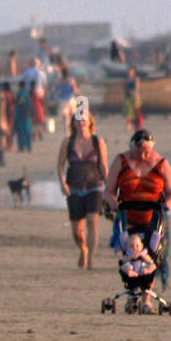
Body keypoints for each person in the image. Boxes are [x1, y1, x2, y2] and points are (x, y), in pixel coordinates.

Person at [106, 129, 171, 311]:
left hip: (153, 218)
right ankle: (131, 296)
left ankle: (146, 300)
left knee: (151, 256)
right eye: (140, 151)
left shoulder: (161, 163)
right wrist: (112, 203)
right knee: (130, 255)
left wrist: (167, 205)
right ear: (132, 147)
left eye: (147, 151)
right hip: (127, 217)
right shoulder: (121, 161)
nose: (144, 155)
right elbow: (108, 191)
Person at [56, 110, 108, 269]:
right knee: (77, 231)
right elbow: (60, 166)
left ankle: (91, 260)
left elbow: (103, 167)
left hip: (95, 187)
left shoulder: (98, 141)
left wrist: (109, 189)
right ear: (73, 123)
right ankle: (83, 249)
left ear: (90, 122)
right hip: (74, 189)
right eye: (78, 120)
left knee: (92, 221)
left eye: (84, 120)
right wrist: (62, 183)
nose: (81, 123)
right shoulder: (68, 142)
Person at [122, 66, 143, 135]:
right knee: (128, 112)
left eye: (131, 72)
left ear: (134, 72)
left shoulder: (135, 79)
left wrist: (134, 94)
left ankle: (139, 124)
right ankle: (128, 125)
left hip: (134, 97)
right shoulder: (126, 80)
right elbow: (124, 88)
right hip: (128, 97)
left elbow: (137, 88)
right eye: (129, 72)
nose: (129, 73)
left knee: (136, 111)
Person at [13, 81, 34, 152]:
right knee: (27, 132)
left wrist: (16, 102)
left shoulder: (21, 93)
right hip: (27, 115)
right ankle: (28, 147)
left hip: (22, 115)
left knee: (22, 132)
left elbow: (21, 101)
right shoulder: (26, 93)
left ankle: (22, 147)